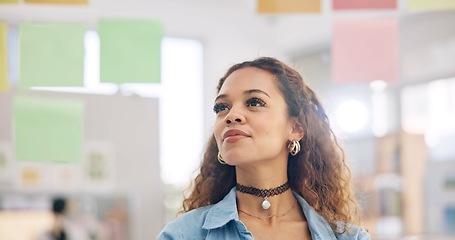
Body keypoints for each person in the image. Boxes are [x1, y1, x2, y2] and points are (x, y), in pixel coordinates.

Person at [157, 57, 370, 239]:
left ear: (295, 128)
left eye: (255, 102)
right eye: (222, 107)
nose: (231, 116)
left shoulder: (349, 237)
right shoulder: (183, 235)